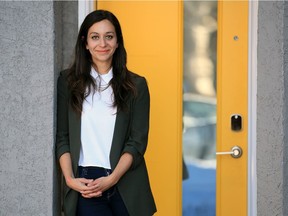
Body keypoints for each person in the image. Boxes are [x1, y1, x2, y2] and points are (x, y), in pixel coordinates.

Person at [56, 9, 157, 216]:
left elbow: (137, 142)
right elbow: (63, 138)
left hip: (125, 182)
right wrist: (69, 180)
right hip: (86, 184)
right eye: (95, 37)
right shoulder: (68, 82)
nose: (102, 44)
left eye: (109, 37)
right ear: (85, 43)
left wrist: (112, 179)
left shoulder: (136, 85)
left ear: (118, 42)